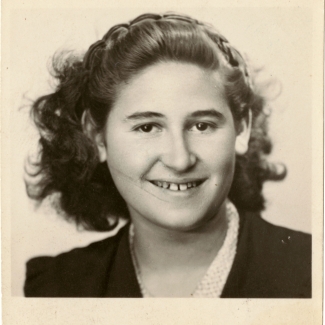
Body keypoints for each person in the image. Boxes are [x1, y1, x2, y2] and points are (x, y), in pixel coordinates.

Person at [23, 13, 311, 298]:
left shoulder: (309, 270)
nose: (180, 159)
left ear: (242, 129)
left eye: (202, 126)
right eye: (147, 127)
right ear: (97, 136)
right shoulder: (55, 287)